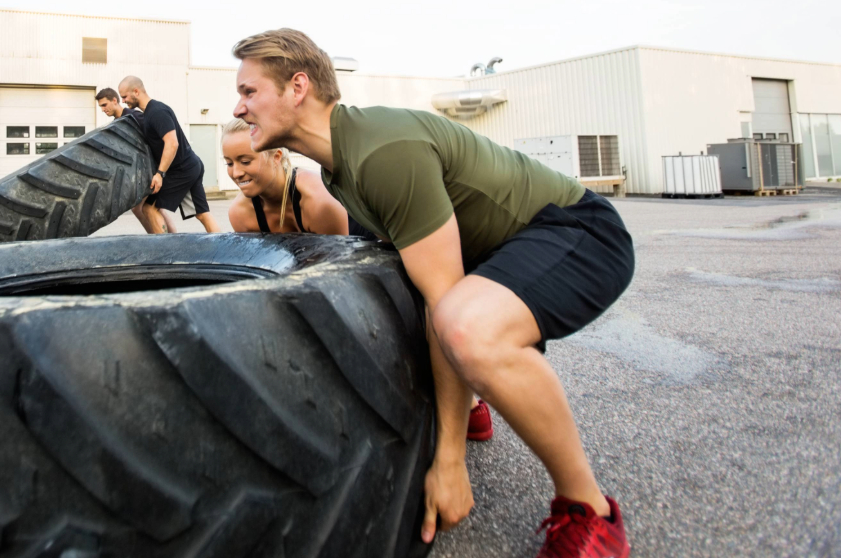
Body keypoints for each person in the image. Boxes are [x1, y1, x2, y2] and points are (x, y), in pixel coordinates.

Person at [230, 29, 634, 558]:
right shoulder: (341, 166)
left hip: (577, 232)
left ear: (297, 86)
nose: (238, 109)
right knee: (418, 297)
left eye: (249, 91)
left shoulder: (381, 151)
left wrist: (448, 461)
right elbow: (425, 285)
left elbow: (446, 305)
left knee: (465, 328)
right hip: (502, 257)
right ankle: (475, 402)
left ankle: (589, 511)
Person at [221, 116, 494, 442]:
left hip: (368, 246)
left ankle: (469, 400)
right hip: (308, 261)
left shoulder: (317, 200)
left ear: (276, 156)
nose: (236, 172)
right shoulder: (240, 214)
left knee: (411, 303)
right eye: (228, 162)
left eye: (245, 160)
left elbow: (343, 280)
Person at [118, 75, 221, 234]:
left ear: (136, 91)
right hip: (189, 165)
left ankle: (165, 253)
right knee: (201, 214)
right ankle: (220, 248)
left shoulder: (157, 111)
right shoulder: (149, 113)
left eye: (124, 96)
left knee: (149, 208)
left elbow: (172, 143)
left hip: (182, 169)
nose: (123, 101)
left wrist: (159, 174)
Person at [96, 87, 175, 234]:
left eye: (104, 105)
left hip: (152, 169)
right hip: (137, 173)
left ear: (115, 100)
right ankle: (156, 237)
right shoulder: (117, 124)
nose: (102, 109)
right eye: (100, 106)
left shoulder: (134, 116)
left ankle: (172, 238)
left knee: (150, 207)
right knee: (140, 208)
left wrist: (159, 170)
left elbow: (155, 139)